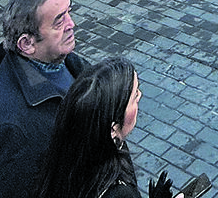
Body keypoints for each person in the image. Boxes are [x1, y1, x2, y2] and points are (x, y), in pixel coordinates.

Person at [0, 0, 88, 198]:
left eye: (69, 12)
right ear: (27, 44)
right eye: (59, 21)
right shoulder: (9, 129)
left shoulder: (64, 60)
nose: (72, 24)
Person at [32, 57, 152, 198]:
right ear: (113, 129)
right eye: (135, 95)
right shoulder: (118, 193)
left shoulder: (65, 152)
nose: (140, 96)